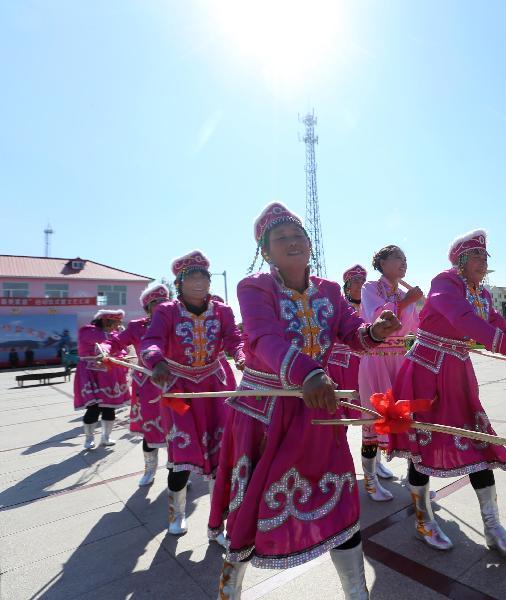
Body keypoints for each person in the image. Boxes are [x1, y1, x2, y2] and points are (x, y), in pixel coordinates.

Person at [209, 202, 401, 599]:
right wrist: (310, 373)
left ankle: (356, 593)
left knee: (341, 499)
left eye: (299, 236)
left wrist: (377, 331)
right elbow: (263, 339)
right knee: (252, 510)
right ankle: (231, 588)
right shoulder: (254, 287)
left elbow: (352, 334)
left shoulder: (330, 291)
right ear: (265, 250)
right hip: (266, 413)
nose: (293, 242)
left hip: (318, 411)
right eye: (281, 238)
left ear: (310, 244)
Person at [388, 229, 506, 553]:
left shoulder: (482, 294)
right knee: (422, 448)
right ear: (461, 261)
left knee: (479, 445)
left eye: (485, 256)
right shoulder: (445, 283)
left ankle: (493, 528)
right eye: (477, 256)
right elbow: (464, 321)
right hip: (427, 372)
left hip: (458, 376)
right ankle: (423, 519)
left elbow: (498, 324)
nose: (483, 261)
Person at [141, 250, 245, 538]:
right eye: (192, 278)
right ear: (180, 283)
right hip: (178, 390)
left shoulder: (222, 310)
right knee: (182, 451)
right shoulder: (166, 311)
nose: (199, 283)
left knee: (222, 455)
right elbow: (151, 341)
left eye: (204, 277)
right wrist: (157, 361)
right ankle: (176, 514)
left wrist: (239, 354)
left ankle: (218, 525)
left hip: (214, 387)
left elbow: (233, 339)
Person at [357, 246, 423, 501]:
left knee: (406, 419)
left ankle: (411, 475)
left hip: (400, 359)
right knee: (373, 421)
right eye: (397, 258)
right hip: (376, 358)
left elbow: (418, 326)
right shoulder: (370, 288)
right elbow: (378, 318)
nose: (403, 262)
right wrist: (407, 302)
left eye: (405, 259)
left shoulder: (405, 292)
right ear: (382, 263)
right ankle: (371, 481)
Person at [101, 283, 170, 486]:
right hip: (147, 386)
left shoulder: (178, 323)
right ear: (147, 308)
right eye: (157, 303)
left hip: (175, 384)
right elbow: (114, 342)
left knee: (176, 430)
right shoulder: (136, 327)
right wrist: (104, 349)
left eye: (165, 302)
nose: (162, 306)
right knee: (151, 432)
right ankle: (149, 469)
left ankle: (178, 472)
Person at [73, 309, 129, 449]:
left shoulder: (114, 334)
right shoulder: (88, 331)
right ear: (105, 321)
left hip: (109, 374)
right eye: (116, 322)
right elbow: (103, 340)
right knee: (93, 408)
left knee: (109, 408)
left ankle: (106, 437)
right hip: (91, 373)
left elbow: (121, 349)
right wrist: (118, 338)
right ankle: (89, 438)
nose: (118, 325)